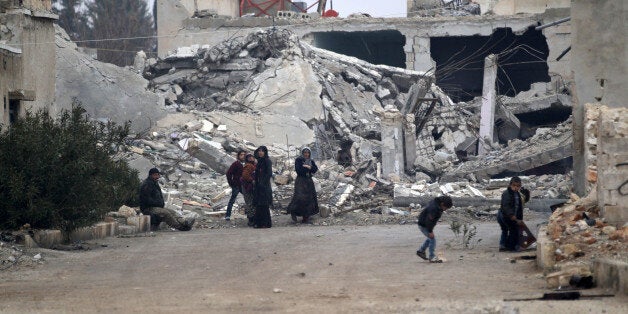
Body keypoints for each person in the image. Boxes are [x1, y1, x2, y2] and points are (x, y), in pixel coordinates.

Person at [497, 176, 530, 252]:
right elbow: (506, 206)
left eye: (518, 186)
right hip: (504, 215)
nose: (515, 188)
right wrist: (512, 215)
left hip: (509, 215)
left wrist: (527, 194)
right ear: (510, 185)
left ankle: (504, 245)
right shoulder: (507, 194)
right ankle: (511, 247)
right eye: (514, 185)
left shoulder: (517, 194)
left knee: (508, 229)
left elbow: (523, 201)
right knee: (512, 229)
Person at [416, 195, 453, 263]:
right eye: (446, 207)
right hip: (424, 225)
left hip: (424, 224)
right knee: (432, 239)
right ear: (442, 204)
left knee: (430, 238)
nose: (445, 209)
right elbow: (429, 221)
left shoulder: (436, 204)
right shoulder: (434, 208)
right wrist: (430, 231)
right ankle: (432, 257)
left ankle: (421, 251)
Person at [287, 147, 319, 224]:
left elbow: (315, 169)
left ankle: (306, 217)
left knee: (309, 198)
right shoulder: (299, 160)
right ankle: (293, 212)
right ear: (302, 153)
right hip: (301, 181)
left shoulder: (310, 160)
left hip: (308, 181)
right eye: (305, 152)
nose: (306, 154)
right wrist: (308, 168)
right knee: (299, 197)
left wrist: (309, 167)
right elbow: (299, 170)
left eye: (308, 153)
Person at [252, 146, 273, 228]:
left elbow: (269, 173)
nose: (260, 152)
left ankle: (265, 223)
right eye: (259, 151)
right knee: (259, 205)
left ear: (265, 152)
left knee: (264, 205)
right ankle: (259, 223)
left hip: (264, 186)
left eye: (262, 151)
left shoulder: (267, 161)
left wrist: (262, 182)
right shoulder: (259, 162)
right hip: (258, 186)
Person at [224, 150, 247, 221]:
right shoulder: (236, 164)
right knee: (232, 200)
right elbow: (228, 173)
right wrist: (231, 183)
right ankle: (227, 215)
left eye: (244, 155)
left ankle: (250, 214)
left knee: (248, 199)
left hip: (244, 185)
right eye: (241, 155)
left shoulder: (246, 164)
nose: (243, 156)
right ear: (238, 156)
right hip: (236, 185)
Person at [241, 154, 257, 227]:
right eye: (249, 157)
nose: (251, 158)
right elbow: (245, 175)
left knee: (251, 202)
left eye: (252, 157)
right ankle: (251, 220)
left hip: (249, 187)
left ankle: (252, 219)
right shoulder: (249, 166)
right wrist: (252, 180)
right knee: (250, 203)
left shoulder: (253, 165)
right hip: (248, 187)